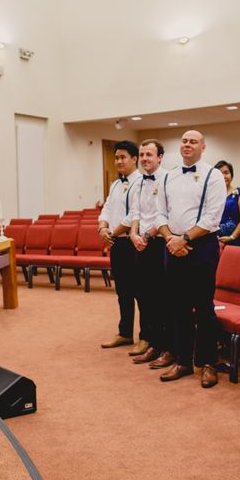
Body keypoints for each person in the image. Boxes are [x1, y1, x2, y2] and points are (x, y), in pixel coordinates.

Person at [155, 130, 226, 388]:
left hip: (201, 246)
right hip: (171, 246)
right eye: (184, 141)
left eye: (193, 141)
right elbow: (159, 213)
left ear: (203, 147)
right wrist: (169, 239)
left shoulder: (213, 175)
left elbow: (212, 217)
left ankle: (208, 363)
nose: (187, 145)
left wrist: (183, 239)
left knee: (203, 307)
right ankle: (183, 360)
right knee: (177, 307)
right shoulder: (169, 176)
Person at [125, 139, 172, 367]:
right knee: (144, 296)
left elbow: (165, 213)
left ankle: (165, 347)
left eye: (149, 155)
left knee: (161, 298)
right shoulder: (139, 182)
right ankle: (152, 342)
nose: (145, 159)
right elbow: (135, 212)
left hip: (158, 242)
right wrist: (134, 234)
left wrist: (147, 235)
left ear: (160, 157)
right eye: (142, 154)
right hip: (139, 243)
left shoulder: (167, 179)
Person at [98, 140, 145, 354]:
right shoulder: (116, 184)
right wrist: (102, 227)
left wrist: (112, 232)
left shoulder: (141, 182)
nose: (118, 161)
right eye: (116, 157)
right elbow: (107, 208)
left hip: (134, 243)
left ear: (134, 159)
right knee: (122, 291)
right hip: (117, 243)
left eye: (123, 157)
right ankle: (125, 333)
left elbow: (133, 215)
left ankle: (146, 336)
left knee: (141, 292)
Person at [214, 160, 240, 247]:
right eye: (220, 173)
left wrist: (232, 236)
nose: (223, 176)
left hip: (236, 241)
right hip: (215, 241)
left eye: (226, 173)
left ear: (231, 176)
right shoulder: (211, 195)